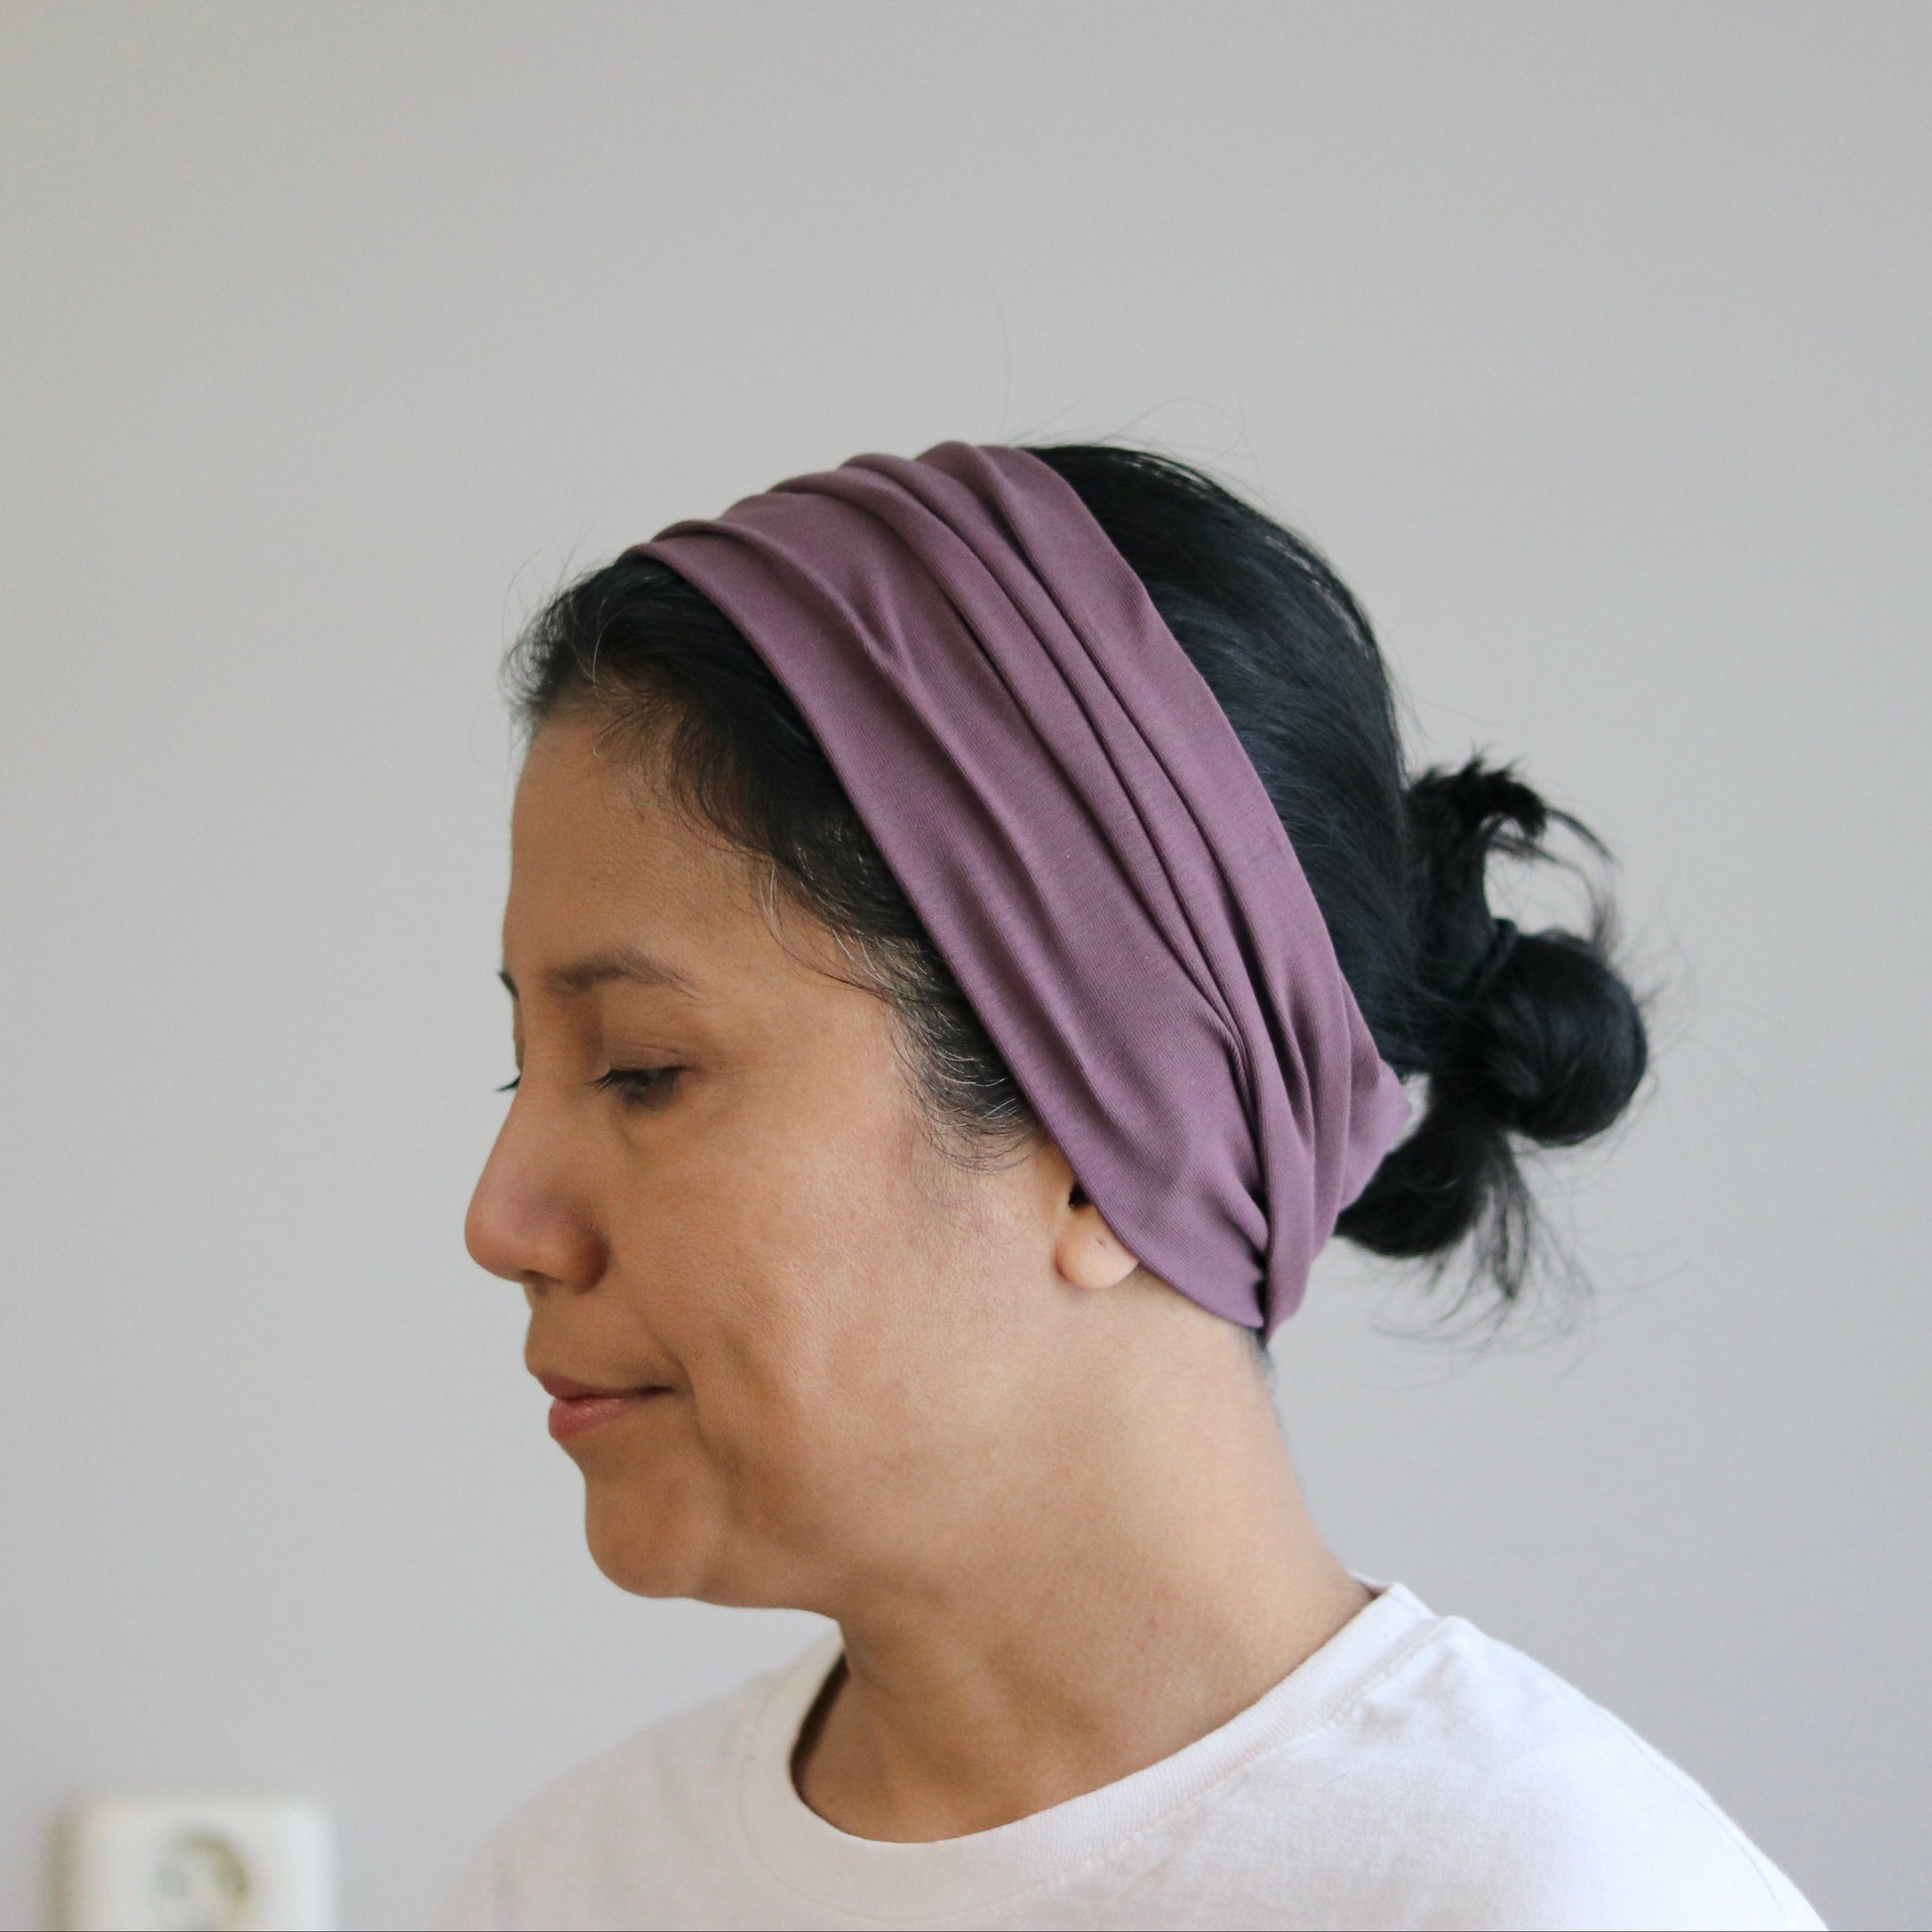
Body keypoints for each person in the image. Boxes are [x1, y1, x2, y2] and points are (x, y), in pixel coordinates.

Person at [434, 442, 1823, 1931]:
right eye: (526, 1070)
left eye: (642, 1067)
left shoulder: (1556, 1897)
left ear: (1116, 1131)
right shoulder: (567, 1884)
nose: (500, 1221)